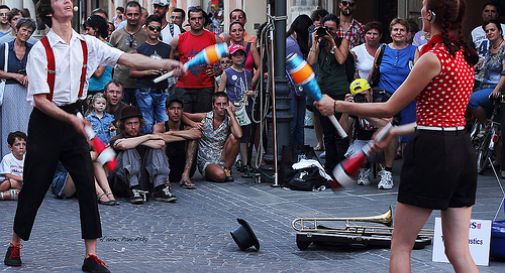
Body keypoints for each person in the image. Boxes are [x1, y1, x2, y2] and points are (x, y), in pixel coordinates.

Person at [3, 0, 183, 272]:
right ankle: (15, 243)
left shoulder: (88, 43)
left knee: (87, 185)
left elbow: (126, 57)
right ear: (48, 12)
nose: (67, 0)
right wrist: (70, 121)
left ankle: (91, 256)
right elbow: (39, 100)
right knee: (34, 188)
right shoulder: (41, 50)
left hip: (75, 117)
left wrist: (166, 62)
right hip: (46, 123)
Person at [315, 0, 479, 272]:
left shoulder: (431, 58)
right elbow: (442, 120)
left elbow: (390, 107)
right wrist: (394, 131)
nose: (422, 12)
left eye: (424, 6)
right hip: (461, 149)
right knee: (458, 250)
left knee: (401, 246)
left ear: (430, 15)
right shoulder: (466, 56)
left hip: (431, 152)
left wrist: (338, 105)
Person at [367, 18, 419, 189]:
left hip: (407, 100)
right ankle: (387, 171)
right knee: (387, 135)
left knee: (408, 141)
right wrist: (366, 96)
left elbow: (418, 76)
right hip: (385, 100)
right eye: (395, 30)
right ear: (390, 33)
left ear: (408, 34)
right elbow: (373, 74)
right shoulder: (382, 50)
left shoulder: (414, 51)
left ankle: (410, 174)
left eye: (402, 30)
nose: (398, 33)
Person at [307, 13, 351, 174]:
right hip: (323, 93)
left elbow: (340, 59)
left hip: (339, 92)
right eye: (326, 29)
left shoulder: (342, 41)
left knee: (340, 132)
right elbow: (310, 62)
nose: (328, 32)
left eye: (332, 30)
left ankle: (341, 166)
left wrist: (332, 42)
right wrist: (314, 42)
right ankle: (330, 166)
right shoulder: (318, 43)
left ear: (337, 30)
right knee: (328, 133)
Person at [109, 106, 175, 204]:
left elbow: (161, 143)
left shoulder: (143, 136)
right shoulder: (117, 138)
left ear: (140, 123)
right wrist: (147, 138)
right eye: (129, 124)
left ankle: (160, 187)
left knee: (156, 149)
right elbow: (123, 145)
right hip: (123, 183)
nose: (133, 127)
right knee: (129, 149)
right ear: (123, 125)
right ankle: (134, 189)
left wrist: (145, 138)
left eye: (136, 123)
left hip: (144, 179)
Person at [339, 79, 391, 186]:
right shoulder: (354, 105)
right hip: (364, 140)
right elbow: (342, 131)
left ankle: (387, 172)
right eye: (357, 96)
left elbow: (388, 125)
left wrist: (366, 115)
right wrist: (345, 110)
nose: (361, 98)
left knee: (392, 133)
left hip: (382, 141)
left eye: (363, 94)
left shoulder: (382, 98)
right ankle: (365, 168)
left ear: (370, 91)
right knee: (353, 154)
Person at [170, 7, 221, 113]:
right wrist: (173, 69)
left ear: (203, 20)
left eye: (199, 18)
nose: (197, 21)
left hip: (205, 87)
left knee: (203, 121)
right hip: (183, 87)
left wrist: (217, 70)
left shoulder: (213, 38)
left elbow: (227, 56)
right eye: (193, 19)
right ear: (188, 21)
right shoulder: (179, 39)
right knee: (185, 120)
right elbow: (168, 60)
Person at [184, 92, 242, 182]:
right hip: (206, 160)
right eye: (218, 104)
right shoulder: (205, 117)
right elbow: (182, 115)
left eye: (224, 104)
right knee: (220, 176)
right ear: (213, 105)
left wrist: (231, 113)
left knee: (234, 138)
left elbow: (239, 135)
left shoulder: (229, 120)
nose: (221, 107)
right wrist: (193, 124)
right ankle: (217, 172)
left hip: (222, 157)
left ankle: (227, 170)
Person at [218, 44, 255, 177]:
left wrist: (251, 93)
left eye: (241, 55)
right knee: (232, 136)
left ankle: (245, 164)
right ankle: (225, 164)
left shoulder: (247, 72)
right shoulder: (227, 73)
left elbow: (249, 87)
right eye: (235, 55)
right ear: (231, 57)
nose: (239, 57)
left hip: (245, 109)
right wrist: (228, 104)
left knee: (244, 138)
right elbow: (220, 92)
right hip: (232, 111)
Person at [0, 18, 36, 157]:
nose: (26, 33)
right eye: (24, 30)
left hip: (28, 92)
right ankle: (7, 163)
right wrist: (16, 76)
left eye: (29, 32)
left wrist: (30, 76)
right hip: (10, 90)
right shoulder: (5, 48)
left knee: (27, 126)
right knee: (10, 126)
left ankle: (27, 164)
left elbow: (40, 71)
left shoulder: (32, 49)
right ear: (17, 29)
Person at [130, 15, 171, 134]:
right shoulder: (140, 49)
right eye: (152, 28)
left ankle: (158, 151)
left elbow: (171, 68)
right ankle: (148, 150)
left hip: (162, 90)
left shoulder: (167, 48)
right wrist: (148, 71)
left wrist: (167, 71)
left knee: (162, 123)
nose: (155, 31)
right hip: (144, 90)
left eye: (158, 29)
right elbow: (132, 72)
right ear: (146, 28)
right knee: (147, 124)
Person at [153, 98, 201, 189]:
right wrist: (185, 135)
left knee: (193, 140)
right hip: (166, 168)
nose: (176, 112)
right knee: (160, 142)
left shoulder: (186, 127)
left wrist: (171, 133)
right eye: (172, 108)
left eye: (179, 109)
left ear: (182, 111)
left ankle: (185, 176)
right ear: (166, 111)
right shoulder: (160, 126)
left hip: (183, 167)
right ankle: (165, 179)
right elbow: (156, 137)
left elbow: (197, 134)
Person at [109, 0, 148, 105]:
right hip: (120, 83)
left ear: (140, 15)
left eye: (136, 14)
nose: (133, 17)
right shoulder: (116, 34)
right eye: (130, 14)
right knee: (120, 115)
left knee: (139, 117)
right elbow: (109, 58)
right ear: (125, 15)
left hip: (140, 84)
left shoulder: (146, 35)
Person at [468, 19, 505, 125]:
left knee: (470, 100)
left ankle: (486, 126)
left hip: (496, 88)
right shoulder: (491, 47)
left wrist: (497, 90)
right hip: (484, 85)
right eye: (487, 31)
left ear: (500, 31)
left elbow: (504, 72)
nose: (489, 33)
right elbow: (486, 65)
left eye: (492, 30)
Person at [286, 14, 313, 146]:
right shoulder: (292, 44)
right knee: (295, 124)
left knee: (296, 123)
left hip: (295, 88)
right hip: (294, 89)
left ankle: (295, 153)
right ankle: (295, 154)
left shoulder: (290, 41)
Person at [83, 15, 113, 97]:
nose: (86, 32)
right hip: (87, 90)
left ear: (96, 29)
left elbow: (98, 73)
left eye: (88, 29)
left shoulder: (106, 47)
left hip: (101, 91)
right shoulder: (89, 46)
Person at [0, 131, 25, 201]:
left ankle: (3, 195)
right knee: (9, 182)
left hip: (19, 185)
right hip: (5, 182)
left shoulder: (27, 159)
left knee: (27, 192)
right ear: (10, 147)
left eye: (24, 144)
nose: (21, 147)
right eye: (17, 145)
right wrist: (22, 178)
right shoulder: (7, 158)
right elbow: (7, 175)